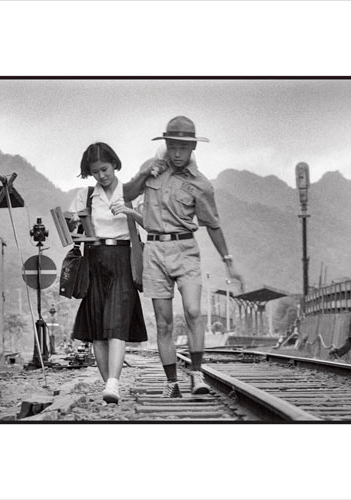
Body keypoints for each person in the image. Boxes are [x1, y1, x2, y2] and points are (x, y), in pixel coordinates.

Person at [124, 116, 243, 398]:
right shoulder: (151, 169)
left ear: (193, 148)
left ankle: (197, 374)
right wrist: (144, 174)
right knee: (163, 321)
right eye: (173, 146)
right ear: (166, 144)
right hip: (154, 250)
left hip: (185, 249)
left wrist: (228, 261)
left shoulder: (201, 184)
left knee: (193, 311)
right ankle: (172, 383)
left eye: (183, 147)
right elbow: (127, 193)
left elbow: (212, 224)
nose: (177, 153)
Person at [69, 142, 147, 404]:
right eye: (95, 172)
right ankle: (108, 386)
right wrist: (73, 227)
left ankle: (114, 380)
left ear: (114, 164)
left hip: (123, 258)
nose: (101, 176)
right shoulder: (86, 195)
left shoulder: (131, 192)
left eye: (104, 169)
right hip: (94, 259)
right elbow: (72, 233)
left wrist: (129, 211)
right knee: (98, 329)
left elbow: (152, 223)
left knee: (117, 322)